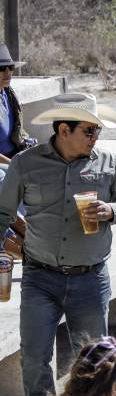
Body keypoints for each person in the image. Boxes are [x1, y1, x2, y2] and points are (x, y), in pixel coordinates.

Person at [0, 92, 116, 396]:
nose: (96, 136)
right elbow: (1, 213)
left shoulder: (108, 163)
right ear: (64, 129)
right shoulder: (26, 165)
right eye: (90, 130)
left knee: (96, 363)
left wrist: (112, 210)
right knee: (34, 360)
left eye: (97, 130)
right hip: (39, 278)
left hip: (90, 279)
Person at [0, 43, 34, 258]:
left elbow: (18, 133)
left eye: (10, 68)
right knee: (6, 179)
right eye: (1, 69)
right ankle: (31, 248)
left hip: (13, 157)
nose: (7, 73)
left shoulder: (8, 95)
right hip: (3, 164)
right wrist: (13, 164)